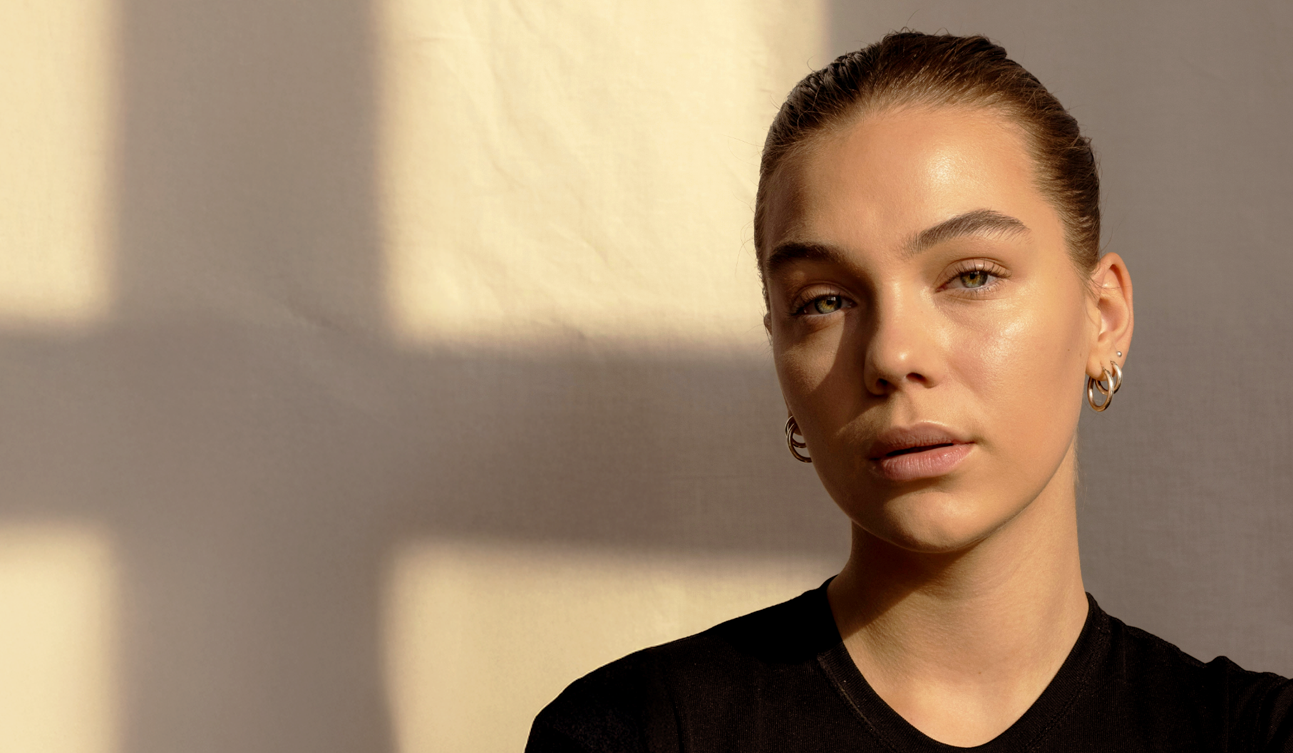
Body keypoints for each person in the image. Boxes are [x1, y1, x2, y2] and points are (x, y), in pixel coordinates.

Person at [525, 31, 1293, 751]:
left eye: (971, 276)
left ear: (1103, 317)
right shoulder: (638, 733)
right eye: (824, 301)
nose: (891, 354)